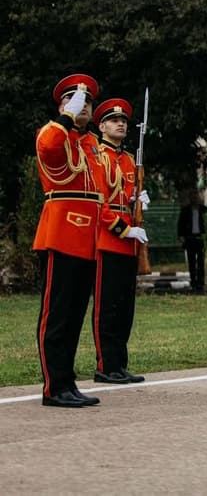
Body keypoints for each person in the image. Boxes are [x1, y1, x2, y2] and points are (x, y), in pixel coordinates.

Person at [32, 74, 105, 407]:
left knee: (75, 312)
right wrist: (65, 117)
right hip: (62, 233)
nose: (84, 106)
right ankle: (53, 386)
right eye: (77, 101)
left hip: (87, 237)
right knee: (58, 312)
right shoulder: (53, 135)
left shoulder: (89, 143)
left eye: (87, 102)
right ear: (63, 106)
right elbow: (47, 146)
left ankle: (67, 382)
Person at [90, 98, 150, 385]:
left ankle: (120, 364)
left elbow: (127, 198)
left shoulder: (127, 160)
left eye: (124, 120)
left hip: (130, 242)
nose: (121, 124)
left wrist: (138, 200)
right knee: (107, 306)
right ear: (101, 126)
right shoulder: (97, 156)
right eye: (114, 120)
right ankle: (105, 365)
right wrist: (124, 230)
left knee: (125, 307)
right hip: (109, 240)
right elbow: (100, 205)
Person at [177, 189, 207, 293]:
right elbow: (180, 224)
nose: (195, 198)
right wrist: (181, 236)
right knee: (191, 262)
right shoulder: (185, 211)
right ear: (190, 198)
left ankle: (201, 282)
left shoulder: (204, 210)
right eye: (193, 196)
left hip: (201, 238)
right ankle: (193, 282)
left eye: (196, 196)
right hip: (189, 238)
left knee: (201, 262)